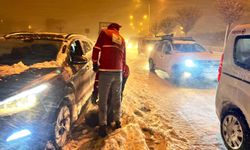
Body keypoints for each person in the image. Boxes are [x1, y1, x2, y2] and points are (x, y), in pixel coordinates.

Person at [92, 23, 126, 137]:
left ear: (109, 27)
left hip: (106, 71)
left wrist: (95, 62)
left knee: (103, 99)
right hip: (118, 73)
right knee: (117, 98)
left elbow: (96, 48)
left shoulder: (104, 33)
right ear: (117, 29)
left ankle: (103, 125)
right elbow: (124, 59)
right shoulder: (122, 39)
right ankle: (117, 122)